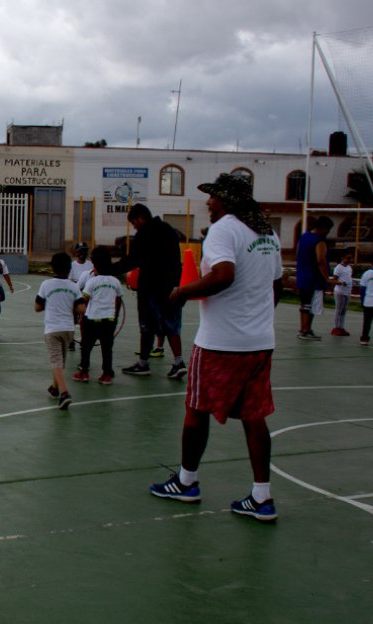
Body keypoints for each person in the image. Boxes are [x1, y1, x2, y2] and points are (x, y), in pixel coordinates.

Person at [148, 173, 284, 522]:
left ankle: (187, 481)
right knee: (255, 417)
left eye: (212, 197)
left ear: (226, 199)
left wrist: (181, 293)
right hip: (259, 342)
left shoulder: (225, 229)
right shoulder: (268, 233)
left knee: (197, 410)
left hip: (221, 343)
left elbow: (224, 275)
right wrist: (257, 317)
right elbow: (276, 286)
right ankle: (261, 497)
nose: (208, 202)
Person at [109, 204, 186, 379]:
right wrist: (176, 284)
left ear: (141, 218)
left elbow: (133, 260)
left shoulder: (145, 234)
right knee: (171, 324)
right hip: (170, 286)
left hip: (150, 287)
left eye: (134, 223)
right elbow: (176, 260)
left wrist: (108, 270)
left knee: (147, 325)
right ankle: (178, 362)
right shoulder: (169, 230)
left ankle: (143, 363)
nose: (134, 227)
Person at [35, 252, 81, 410]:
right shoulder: (74, 286)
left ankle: (64, 393)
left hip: (53, 329)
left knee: (56, 361)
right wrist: (71, 306)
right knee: (60, 361)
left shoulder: (46, 285)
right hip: (69, 329)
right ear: (69, 269)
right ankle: (55, 388)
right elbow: (81, 307)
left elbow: (37, 307)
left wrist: (52, 303)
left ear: (52, 268)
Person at [75, 247, 124, 385]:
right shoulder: (115, 282)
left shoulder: (92, 282)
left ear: (94, 265)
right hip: (109, 320)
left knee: (86, 346)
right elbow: (118, 300)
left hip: (91, 319)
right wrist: (115, 316)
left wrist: (76, 310)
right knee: (107, 348)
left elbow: (84, 299)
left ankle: (84, 372)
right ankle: (106, 374)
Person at [295, 216, 332, 340]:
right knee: (311, 305)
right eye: (328, 229)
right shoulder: (319, 240)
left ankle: (302, 328)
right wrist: (327, 278)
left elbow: (297, 253)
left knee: (304, 303)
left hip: (302, 274)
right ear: (323, 228)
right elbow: (320, 260)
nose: (328, 232)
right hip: (313, 277)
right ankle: (306, 330)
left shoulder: (304, 236)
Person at [330, 252, 354, 337]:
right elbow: (334, 280)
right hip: (340, 291)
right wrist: (340, 283)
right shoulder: (338, 268)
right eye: (347, 258)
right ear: (342, 258)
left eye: (350, 258)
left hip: (347, 291)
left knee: (344, 310)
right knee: (339, 310)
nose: (349, 260)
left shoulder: (349, 268)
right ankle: (336, 327)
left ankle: (341, 327)